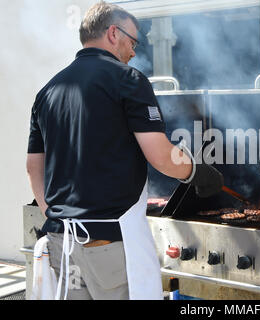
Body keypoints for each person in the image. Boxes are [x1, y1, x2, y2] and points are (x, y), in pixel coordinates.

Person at [26, 2, 223, 300]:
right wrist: (197, 171)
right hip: (108, 245)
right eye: (133, 42)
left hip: (60, 240)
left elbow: (33, 167)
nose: (134, 52)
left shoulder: (48, 91)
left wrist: (55, 215)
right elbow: (160, 155)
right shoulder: (128, 80)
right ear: (113, 33)